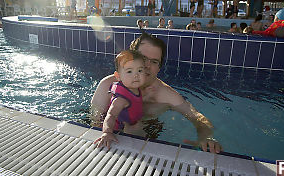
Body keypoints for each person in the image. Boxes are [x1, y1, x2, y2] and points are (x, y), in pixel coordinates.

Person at [91, 32, 222, 153]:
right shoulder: (107, 86)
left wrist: (207, 137)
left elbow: (197, 117)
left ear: (159, 68)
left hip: (148, 134)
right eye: (142, 58)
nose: (147, 65)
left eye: (154, 62)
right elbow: (94, 121)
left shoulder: (165, 94)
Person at [94, 50, 146, 149]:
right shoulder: (121, 99)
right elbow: (111, 115)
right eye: (129, 71)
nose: (136, 75)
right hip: (119, 132)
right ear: (118, 76)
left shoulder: (134, 88)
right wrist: (107, 132)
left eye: (140, 70)